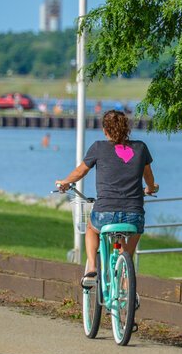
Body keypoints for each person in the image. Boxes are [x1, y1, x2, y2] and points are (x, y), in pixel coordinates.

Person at [56, 110, 159, 287]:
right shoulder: (140, 148)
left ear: (105, 130)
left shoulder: (98, 147)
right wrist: (150, 188)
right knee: (130, 244)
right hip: (134, 214)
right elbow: (148, 177)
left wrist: (65, 182)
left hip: (105, 213)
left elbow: (80, 171)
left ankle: (92, 268)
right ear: (127, 129)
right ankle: (127, 286)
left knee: (90, 228)